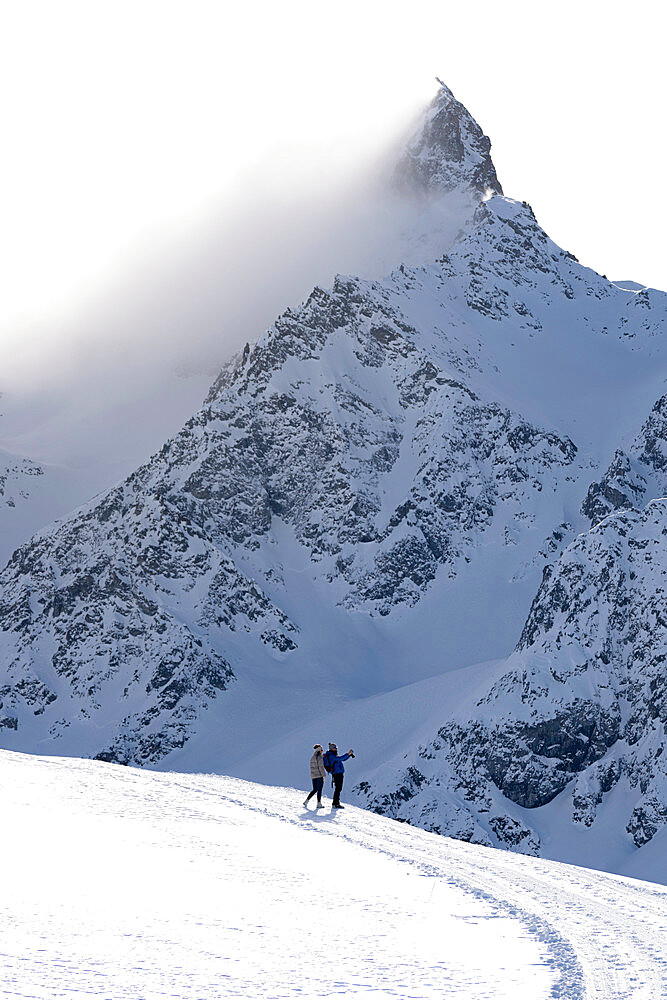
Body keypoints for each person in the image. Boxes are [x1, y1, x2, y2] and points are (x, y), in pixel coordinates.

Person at [322, 742, 355, 809]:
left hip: (337, 773)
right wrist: (348, 754)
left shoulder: (332, 755)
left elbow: (342, 759)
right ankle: (335, 803)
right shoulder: (332, 756)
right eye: (335, 748)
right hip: (337, 774)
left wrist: (348, 755)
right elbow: (340, 759)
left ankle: (336, 803)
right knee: (338, 788)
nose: (336, 749)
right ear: (332, 749)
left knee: (338, 788)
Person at [303, 744, 326, 808]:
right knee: (319, 790)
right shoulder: (320, 757)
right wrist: (324, 776)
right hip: (319, 776)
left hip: (313, 776)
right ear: (319, 750)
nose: (322, 751)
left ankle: (306, 801)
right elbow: (321, 767)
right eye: (321, 750)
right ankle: (319, 803)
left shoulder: (312, 757)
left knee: (314, 789)